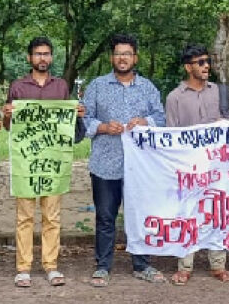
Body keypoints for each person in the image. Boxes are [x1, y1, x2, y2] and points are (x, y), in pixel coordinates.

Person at [82, 33, 166, 287]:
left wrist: (145, 122)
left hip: (139, 168)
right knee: (105, 217)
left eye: (127, 54)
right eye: (118, 53)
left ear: (135, 58)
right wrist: (104, 127)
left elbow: (161, 118)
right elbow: (84, 119)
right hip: (105, 164)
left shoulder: (147, 88)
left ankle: (142, 264)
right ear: (112, 57)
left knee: (139, 215)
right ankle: (103, 266)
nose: (122, 58)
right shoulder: (97, 86)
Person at [1, 37, 75, 288]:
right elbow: (9, 128)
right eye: (37, 54)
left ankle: (51, 265)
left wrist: (78, 113)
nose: (42, 58)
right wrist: (7, 116)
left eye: (46, 54)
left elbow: (67, 124)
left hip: (53, 162)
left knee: (52, 216)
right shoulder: (18, 87)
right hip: (26, 162)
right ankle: (23, 268)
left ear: (52, 58)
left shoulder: (61, 87)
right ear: (29, 58)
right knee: (25, 217)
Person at [165, 44, 229, 285]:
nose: (206, 66)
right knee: (187, 214)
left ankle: (218, 265)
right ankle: (185, 266)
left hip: (217, 167)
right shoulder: (174, 97)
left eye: (207, 61)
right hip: (189, 168)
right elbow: (171, 136)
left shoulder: (220, 91)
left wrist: (223, 123)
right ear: (188, 67)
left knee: (218, 212)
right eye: (200, 62)